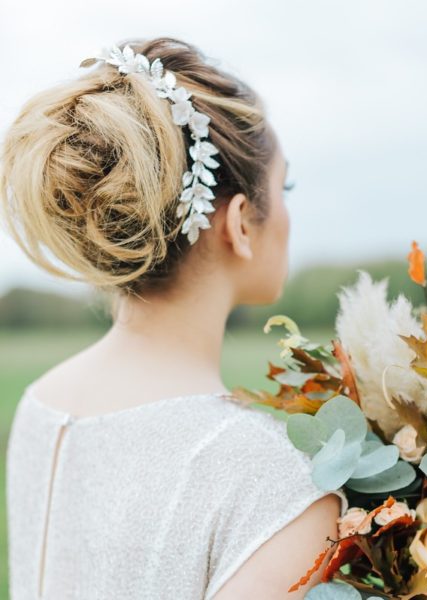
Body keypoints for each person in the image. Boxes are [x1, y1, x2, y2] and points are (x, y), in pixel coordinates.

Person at [1, 36, 346, 599]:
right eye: (283, 187)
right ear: (239, 222)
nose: (287, 213)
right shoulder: (276, 480)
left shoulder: (42, 402)